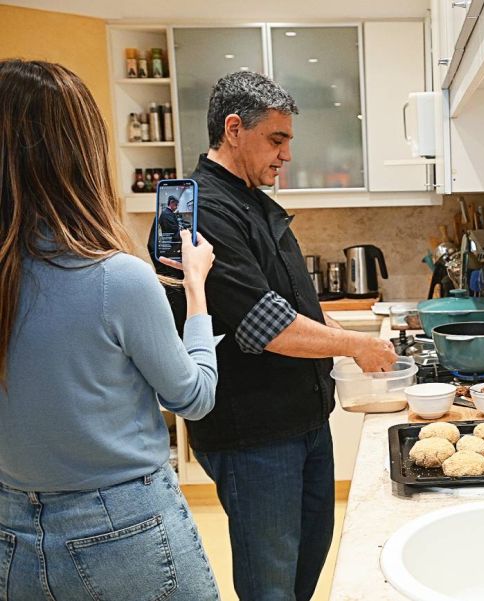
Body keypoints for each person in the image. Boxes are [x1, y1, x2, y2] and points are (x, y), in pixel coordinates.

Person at [149, 71, 397, 601]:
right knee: (271, 581)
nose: (286, 155)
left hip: (302, 422)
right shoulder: (203, 210)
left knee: (308, 556)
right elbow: (268, 325)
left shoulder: (253, 200)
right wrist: (357, 346)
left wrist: (341, 331)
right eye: (276, 140)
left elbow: (293, 304)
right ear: (234, 129)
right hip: (255, 435)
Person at [0, 60, 220, 600]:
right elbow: (193, 398)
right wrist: (195, 290)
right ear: (81, 153)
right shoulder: (115, 278)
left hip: (10, 529)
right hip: (122, 528)